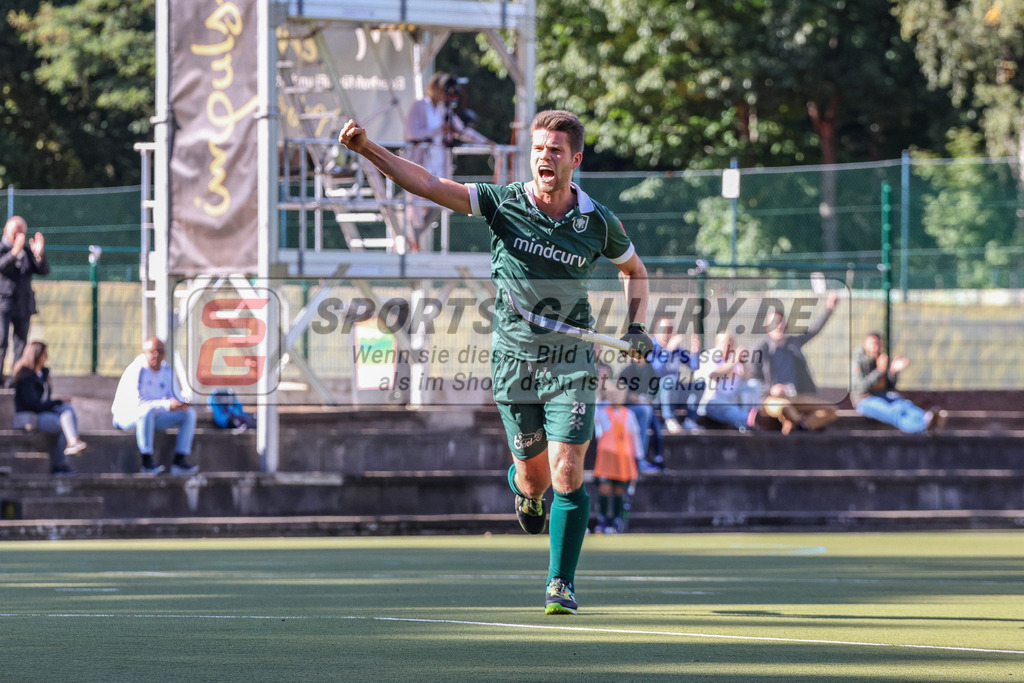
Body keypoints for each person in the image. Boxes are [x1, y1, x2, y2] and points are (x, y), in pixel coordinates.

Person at [340, 109, 653, 615]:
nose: (543, 157)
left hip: (570, 360)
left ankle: (561, 584)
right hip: (513, 361)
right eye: (537, 149)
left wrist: (635, 327)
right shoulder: (503, 202)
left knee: (568, 468)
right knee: (536, 479)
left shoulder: (599, 222)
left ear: (575, 159)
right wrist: (368, 149)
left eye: (554, 150)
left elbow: (634, 271)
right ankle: (521, 489)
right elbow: (426, 183)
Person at [403, 72, 492, 252]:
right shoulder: (420, 106)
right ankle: (413, 239)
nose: (445, 94)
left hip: (439, 164)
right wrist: (438, 130)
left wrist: (485, 142)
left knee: (441, 201)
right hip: (421, 162)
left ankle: (416, 235)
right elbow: (411, 133)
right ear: (435, 88)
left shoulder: (445, 109)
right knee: (415, 203)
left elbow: (461, 131)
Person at [749, 291, 839, 434]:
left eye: (781, 323)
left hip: (796, 396)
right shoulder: (760, 348)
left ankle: (802, 426)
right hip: (771, 399)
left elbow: (814, 331)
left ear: (786, 325)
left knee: (830, 410)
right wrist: (771, 389)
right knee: (786, 409)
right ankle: (796, 426)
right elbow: (752, 379)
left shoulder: (793, 343)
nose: (778, 326)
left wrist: (830, 308)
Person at [111, 337, 198, 475]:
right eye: (152, 351)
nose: (156, 355)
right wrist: (167, 405)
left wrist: (183, 403)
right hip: (126, 417)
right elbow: (138, 405)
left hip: (154, 418)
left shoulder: (167, 371)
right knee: (145, 413)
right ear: (144, 352)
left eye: (160, 351)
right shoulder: (137, 370)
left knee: (189, 414)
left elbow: (175, 397)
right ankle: (146, 463)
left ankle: (179, 461)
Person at [9, 340, 87, 475]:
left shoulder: (42, 375)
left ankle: (72, 443)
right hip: (30, 416)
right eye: (44, 354)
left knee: (68, 410)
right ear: (36, 355)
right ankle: (63, 459)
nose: (47, 357)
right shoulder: (26, 376)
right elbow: (33, 405)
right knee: (64, 420)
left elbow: (44, 401)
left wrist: (59, 402)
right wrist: (58, 401)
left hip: (42, 413)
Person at [851, 331, 948, 433]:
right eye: (872, 344)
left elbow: (889, 386)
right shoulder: (859, 362)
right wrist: (879, 371)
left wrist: (892, 373)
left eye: (878, 344)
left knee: (904, 404)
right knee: (894, 412)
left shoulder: (881, 359)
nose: (875, 348)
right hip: (865, 400)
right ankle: (925, 428)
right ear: (864, 345)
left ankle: (928, 419)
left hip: (882, 395)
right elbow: (860, 387)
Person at [0, 216, 49, 385]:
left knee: (21, 344)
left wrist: (38, 254)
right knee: (1, 341)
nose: (19, 235)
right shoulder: (2, 249)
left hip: (24, 305)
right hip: (3, 304)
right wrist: (14, 252)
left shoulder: (26, 251)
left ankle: (15, 381)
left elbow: (43, 271)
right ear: (6, 231)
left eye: (22, 232)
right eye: (16, 231)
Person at [592, 386, 642, 534]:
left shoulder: (629, 414)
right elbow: (592, 415)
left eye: (618, 395)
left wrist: (638, 458)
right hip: (606, 457)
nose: (615, 398)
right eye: (612, 395)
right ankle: (602, 521)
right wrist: (599, 398)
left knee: (619, 489)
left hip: (623, 458)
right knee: (605, 488)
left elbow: (635, 437)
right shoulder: (602, 413)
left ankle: (616, 520)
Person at [695, 332, 761, 431]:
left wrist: (742, 362)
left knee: (755, 385)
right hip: (712, 402)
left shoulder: (733, 358)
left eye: (730, 345)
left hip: (732, 399)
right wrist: (733, 362)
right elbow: (714, 374)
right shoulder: (708, 355)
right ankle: (749, 421)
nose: (727, 347)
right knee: (730, 410)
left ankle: (754, 414)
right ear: (716, 344)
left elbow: (748, 378)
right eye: (724, 344)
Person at [649, 318, 701, 433]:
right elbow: (656, 369)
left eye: (670, 330)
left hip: (675, 393)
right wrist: (668, 350)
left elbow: (694, 366)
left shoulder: (676, 349)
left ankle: (690, 419)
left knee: (700, 384)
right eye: (665, 330)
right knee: (670, 379)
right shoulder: (651, 346)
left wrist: (695, 352)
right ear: (656, 332)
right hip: (657, 394)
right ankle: (669, 418)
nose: (668, 333)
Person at [618, 355, 663, 473]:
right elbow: (621, 394)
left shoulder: (650, 369)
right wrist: (631, 397)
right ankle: (639, 460)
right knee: (644, 411)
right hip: (630, 408)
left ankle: (657, 458)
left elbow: (656, 390)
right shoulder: (627, 371)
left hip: (647, 406)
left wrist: (650, 398)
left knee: (657, 428)